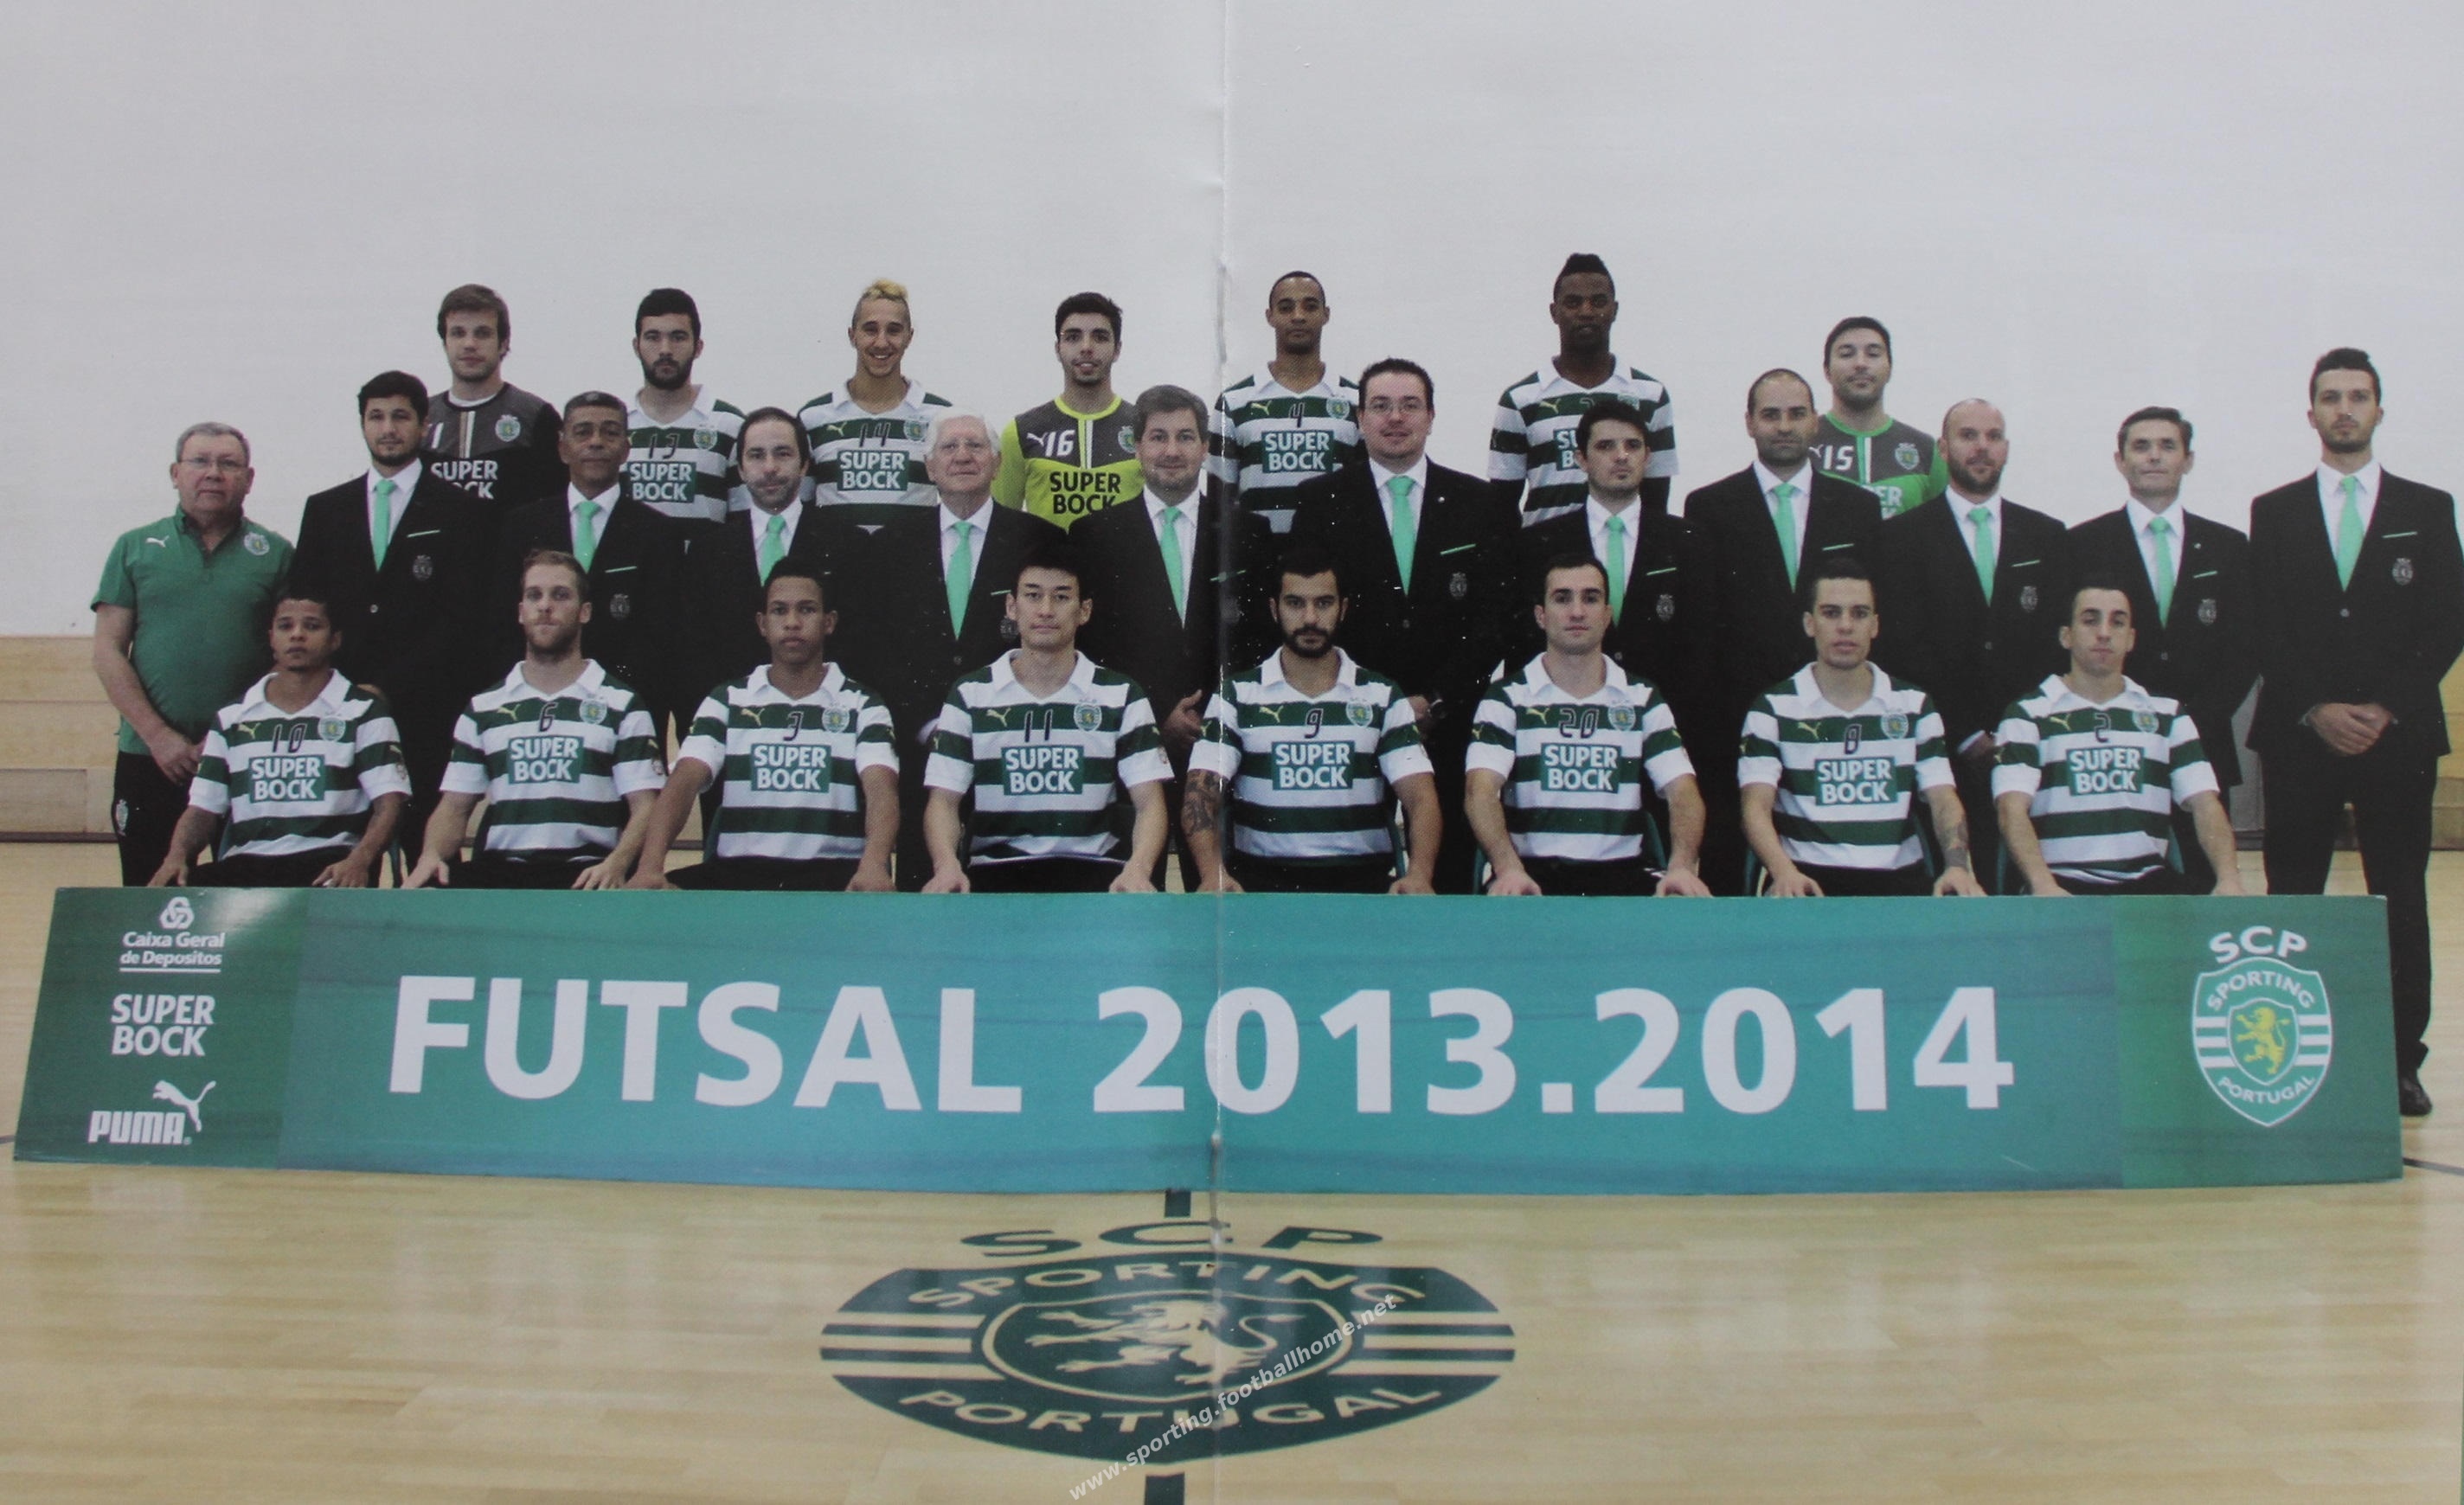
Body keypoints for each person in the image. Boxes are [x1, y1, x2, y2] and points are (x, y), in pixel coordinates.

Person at [2247, 349, 2464, 1118]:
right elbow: (2263, 623)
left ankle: (2400, 1062)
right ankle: (2283, 1056)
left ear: (2379, 409)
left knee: (2399, 897)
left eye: (2358, 396)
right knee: (2293, 896)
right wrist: (2316, 707)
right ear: (2310, 413)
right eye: (2331, 397)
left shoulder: (2427, 507)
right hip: (2301, 736)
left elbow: (2448, 619)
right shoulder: (2274, 511)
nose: (2344, 409)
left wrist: (2387, 706)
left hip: (2396, 738)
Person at [1290, 358, 1516, 893]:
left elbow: (1496, 618)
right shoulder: (1320, 500)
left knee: (1450, 874)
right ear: (1360, 418)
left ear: (1431, 417)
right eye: (1381, 406)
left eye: (1410, 405)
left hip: (1451, 718)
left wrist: (1436, 700)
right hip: (1352, 718)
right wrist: (1382, 704)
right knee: (1354, 877)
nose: (1395, 418)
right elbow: (1310, 611)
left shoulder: (1480, 504)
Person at [838, 411, 1063, 888]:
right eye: (950, 447)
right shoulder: (888, 546)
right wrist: (926, 723)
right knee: (927, 889)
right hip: (919, 749)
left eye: (975, 446)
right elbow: (874, 650)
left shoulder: (1039, 539)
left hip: (1013, 745)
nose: (963, 456)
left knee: (1012, 890)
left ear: (997, 463)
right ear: (930, 467)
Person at [1684, 369, 1883, 891]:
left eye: (1796, 414)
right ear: (1749, 423)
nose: (1784, 426)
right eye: (1770, 415)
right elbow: (1703, 625)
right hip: (1737, 716)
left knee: (1833, 864)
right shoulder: (1709, 507)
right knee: (1731, 865)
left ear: (1816, 421)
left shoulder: (1858, 508)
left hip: (1835, 717)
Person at [290, 370, 491, 866]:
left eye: (400, 416)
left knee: (427, 856)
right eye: (376, 417)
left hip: (426, 708)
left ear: (423, 425)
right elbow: (307, 608)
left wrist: (389, 687)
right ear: (362, 425)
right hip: (338, 711)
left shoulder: (462, 511)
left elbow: (463, 619)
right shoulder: (326, 510)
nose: (388, 428)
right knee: (335, 852)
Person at [1076, 385, 1274, 887]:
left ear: (1205, 448)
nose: (1172, 450)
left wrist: (1212, 715)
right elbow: (1095, 645)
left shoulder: (1247, 531)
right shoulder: (1093, 534)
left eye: (1186, 437)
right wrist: (1159, 711)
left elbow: (1256, 641)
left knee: (1219, 899)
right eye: (1158, 437)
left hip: (1223, 739)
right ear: (1136, 446)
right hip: (1134, 740)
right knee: (1137, 899)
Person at [93, 423, 295, 885]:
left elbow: (288, 658)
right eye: (200, 461)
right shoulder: (134, 547)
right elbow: (107, 651)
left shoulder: (277, 554)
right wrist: (159, 737)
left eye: (228, 463)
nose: (213, 473)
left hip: (243, 756)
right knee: (147, 891)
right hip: (150, 756)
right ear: (175, 473)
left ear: (249, 478)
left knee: (241, 897)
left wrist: (228, 736)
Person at [1875, 399, 2068, 882]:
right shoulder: (1901, 538)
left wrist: (2017, 730)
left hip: (2029, 748)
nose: (1982, 447)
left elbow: (2055, 646)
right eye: (1968, 436)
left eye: (1993, 437)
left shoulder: (2047, 536)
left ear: (2006, 448)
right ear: (1943, 449)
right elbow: (1901, 647)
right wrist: (1964, 732)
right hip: (1939, 748)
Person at [2065, 407, 2255, 891]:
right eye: (2141, 446)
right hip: (2111, 746)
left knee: (2205, 884)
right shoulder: (2082, 544)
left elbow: (2243, 650)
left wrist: (2192, 722)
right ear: (2120, 461)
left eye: (2168, 446)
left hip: (2204, 740)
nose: (2154, 457)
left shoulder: (2228, 546)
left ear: (2188, 460)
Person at [1183, 545, 1441, 893]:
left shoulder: (1381, 695)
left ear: (1343, 609)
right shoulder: (1236, 696)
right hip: (1261, 884)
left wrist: (1420, 875)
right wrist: (1212, 875)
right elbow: (1200, 795)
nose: (1309, 619)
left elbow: (1420, 799)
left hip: (1362, 885)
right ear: (1274, 609)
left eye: (1323, 603)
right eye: (1295, 603)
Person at [629, 567, 898, 893]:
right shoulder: (727, 699)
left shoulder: (863, 703)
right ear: (762, 624)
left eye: (807, 610)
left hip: (831, 876)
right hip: (739, 876)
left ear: (829, 622)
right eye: (779, 610)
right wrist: (649, 867)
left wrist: (874, 865)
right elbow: (684, 781)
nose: (792, 622)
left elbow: (881, 789)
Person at [919, 545, 1171, 893]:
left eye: (1061, 597)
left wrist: (1138, 870)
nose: (1046, 610)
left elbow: (1150, 803)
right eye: (1033, 595)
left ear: (1084, 611)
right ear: (1012, 606)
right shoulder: (970, 694)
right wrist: (946, 865)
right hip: (995, 876)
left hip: (1095, 876)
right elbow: (944, 802)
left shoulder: (1121, 694)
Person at [407, 550, 664, 890]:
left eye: (560, 595)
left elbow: (647, 807)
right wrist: (431, 854)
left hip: (585, 874)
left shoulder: (622, 704)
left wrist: (616, 864)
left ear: (585, 612)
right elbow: (454, 806)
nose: (545, 606)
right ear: (520, 612)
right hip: (501, 874)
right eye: (534, 595)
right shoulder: (483, 708)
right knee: (428, 889)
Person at [1737, 557, 1984, 897]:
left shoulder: (1914, 705)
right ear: (1809, 623)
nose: (1845, 626)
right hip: (1807, 880)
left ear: (1875, 625)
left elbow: (1943, 798)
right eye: (1831, 613)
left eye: (1859, 613)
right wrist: (1784, 873)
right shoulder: (1773, 708)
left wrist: (1957, 866)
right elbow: (1754, 807)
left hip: (1898, 881)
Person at [1466, 554, 1710, 897]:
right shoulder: (1506, 697)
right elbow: (1479, 792)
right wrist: (1507, 869)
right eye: (1562, 598)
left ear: (1607, 615)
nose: (1577, 612)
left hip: (1623, 875)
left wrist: (1681, 866)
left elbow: (1682, 792)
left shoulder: (1642, 697)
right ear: (1540, 615)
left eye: (1591, 598)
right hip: (1531, 877)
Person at [1994, 582, 2245, 899]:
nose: (2104, 633)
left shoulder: (2168, 715)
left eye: (2117, 622)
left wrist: (2228, 878)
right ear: (2066, 636)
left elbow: (2205, 804)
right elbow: (2011, 810)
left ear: (2131, 639)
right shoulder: (2027, 714)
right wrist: (2043, 885)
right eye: (2090, 620)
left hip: (2149, 887)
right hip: (2061, 885)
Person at [149, 592, 410, 888]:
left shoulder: (363, 711)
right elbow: (203, 810)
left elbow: (390, 804)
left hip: (327, 863)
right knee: (170, 890)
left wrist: (360, 860)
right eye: (286, 626)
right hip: (247, 865)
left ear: (335, 640)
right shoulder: (232, 718)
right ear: (271, 638)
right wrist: (177, 855)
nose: (297, 635)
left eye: (312, 626)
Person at [1515, 400, 1715, 753]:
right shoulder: (1540, 544)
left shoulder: (1687, 541)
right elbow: (1526, 644)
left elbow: (1702, 643)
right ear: (1581, 459)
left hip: (1667, 729)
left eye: (1632, 446)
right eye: (1606, 446)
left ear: (1648, 456)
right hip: (1567, 730)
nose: (1621, 456)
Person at [492, 392, 684, 733]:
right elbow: (503, 624)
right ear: (562, 448)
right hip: (533, 705)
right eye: (583, 432)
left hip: (623, 709)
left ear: (626, 449)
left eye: (610, 432)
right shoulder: (522, 526)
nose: (596, 442)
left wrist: (612, 696)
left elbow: (660, 636)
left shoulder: (658, 533)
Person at [678, 407, 846, 716]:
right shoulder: (707, 551)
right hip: (730, 723)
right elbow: (693, 655)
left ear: (804, 464)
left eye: (783, 454)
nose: (769, 467)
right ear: (741, 469)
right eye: (756, 455)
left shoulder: (847, 545)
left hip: (822, 721)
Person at [1490, 253, 1678, 523]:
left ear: (1614, 310)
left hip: (1621, 544)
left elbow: (1656, 500)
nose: (1586, 312)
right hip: (1546, 547)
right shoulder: (1520, 400)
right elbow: (1502, 505)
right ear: (1554, 312)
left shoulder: (1650, 395)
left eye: (1598, 302)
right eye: (1573, 303)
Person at [1209, 271, 1364, 535]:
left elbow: (1366, 494)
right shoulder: (1234, 402)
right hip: (1258, 554)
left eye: (1310, 306)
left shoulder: (1356, 401)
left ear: (1326, 314)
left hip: (1333, 554)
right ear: (1270, 316)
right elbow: (1219, 500)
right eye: (1286, 307)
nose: (1298, 316)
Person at [798, 279, 955, 531]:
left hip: (913, 557)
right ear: (852, 335)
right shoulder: (813, 418)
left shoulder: (941, 417)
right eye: (870, 330)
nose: (881, 342)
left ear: (909, 337)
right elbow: (799, 508)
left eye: (894, 330)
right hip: (835, 557)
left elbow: (956, 505)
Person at [994, 291, 1141, 528]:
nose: (1086, 347)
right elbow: (998, 526)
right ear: (1058, 348)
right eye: (1073, 337)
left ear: (1117, 349)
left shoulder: (1144, 428)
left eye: (1100, 337)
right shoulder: (1021, 432)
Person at [422, 284, 566, 517]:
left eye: (482, 333)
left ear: (504, 343)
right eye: (458, 333)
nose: (469, 344)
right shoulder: (421, 417)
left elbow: (556, 505)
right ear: (444, 342)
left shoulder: (536, 416)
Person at [625, 288, 743, 525]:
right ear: (637, 346)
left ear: (698, 347)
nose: (665, 349)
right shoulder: (617, 427)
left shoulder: (731, 426)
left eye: (678, 337)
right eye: (653, 337)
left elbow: (745, 520)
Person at [1806, 317, 1946, 519]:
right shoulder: (1805, 444)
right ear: (1827, 371)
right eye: (1846, 354)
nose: (1860, 364)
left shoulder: (1925, 449)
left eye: (1873, 354)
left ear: (1890, 369)